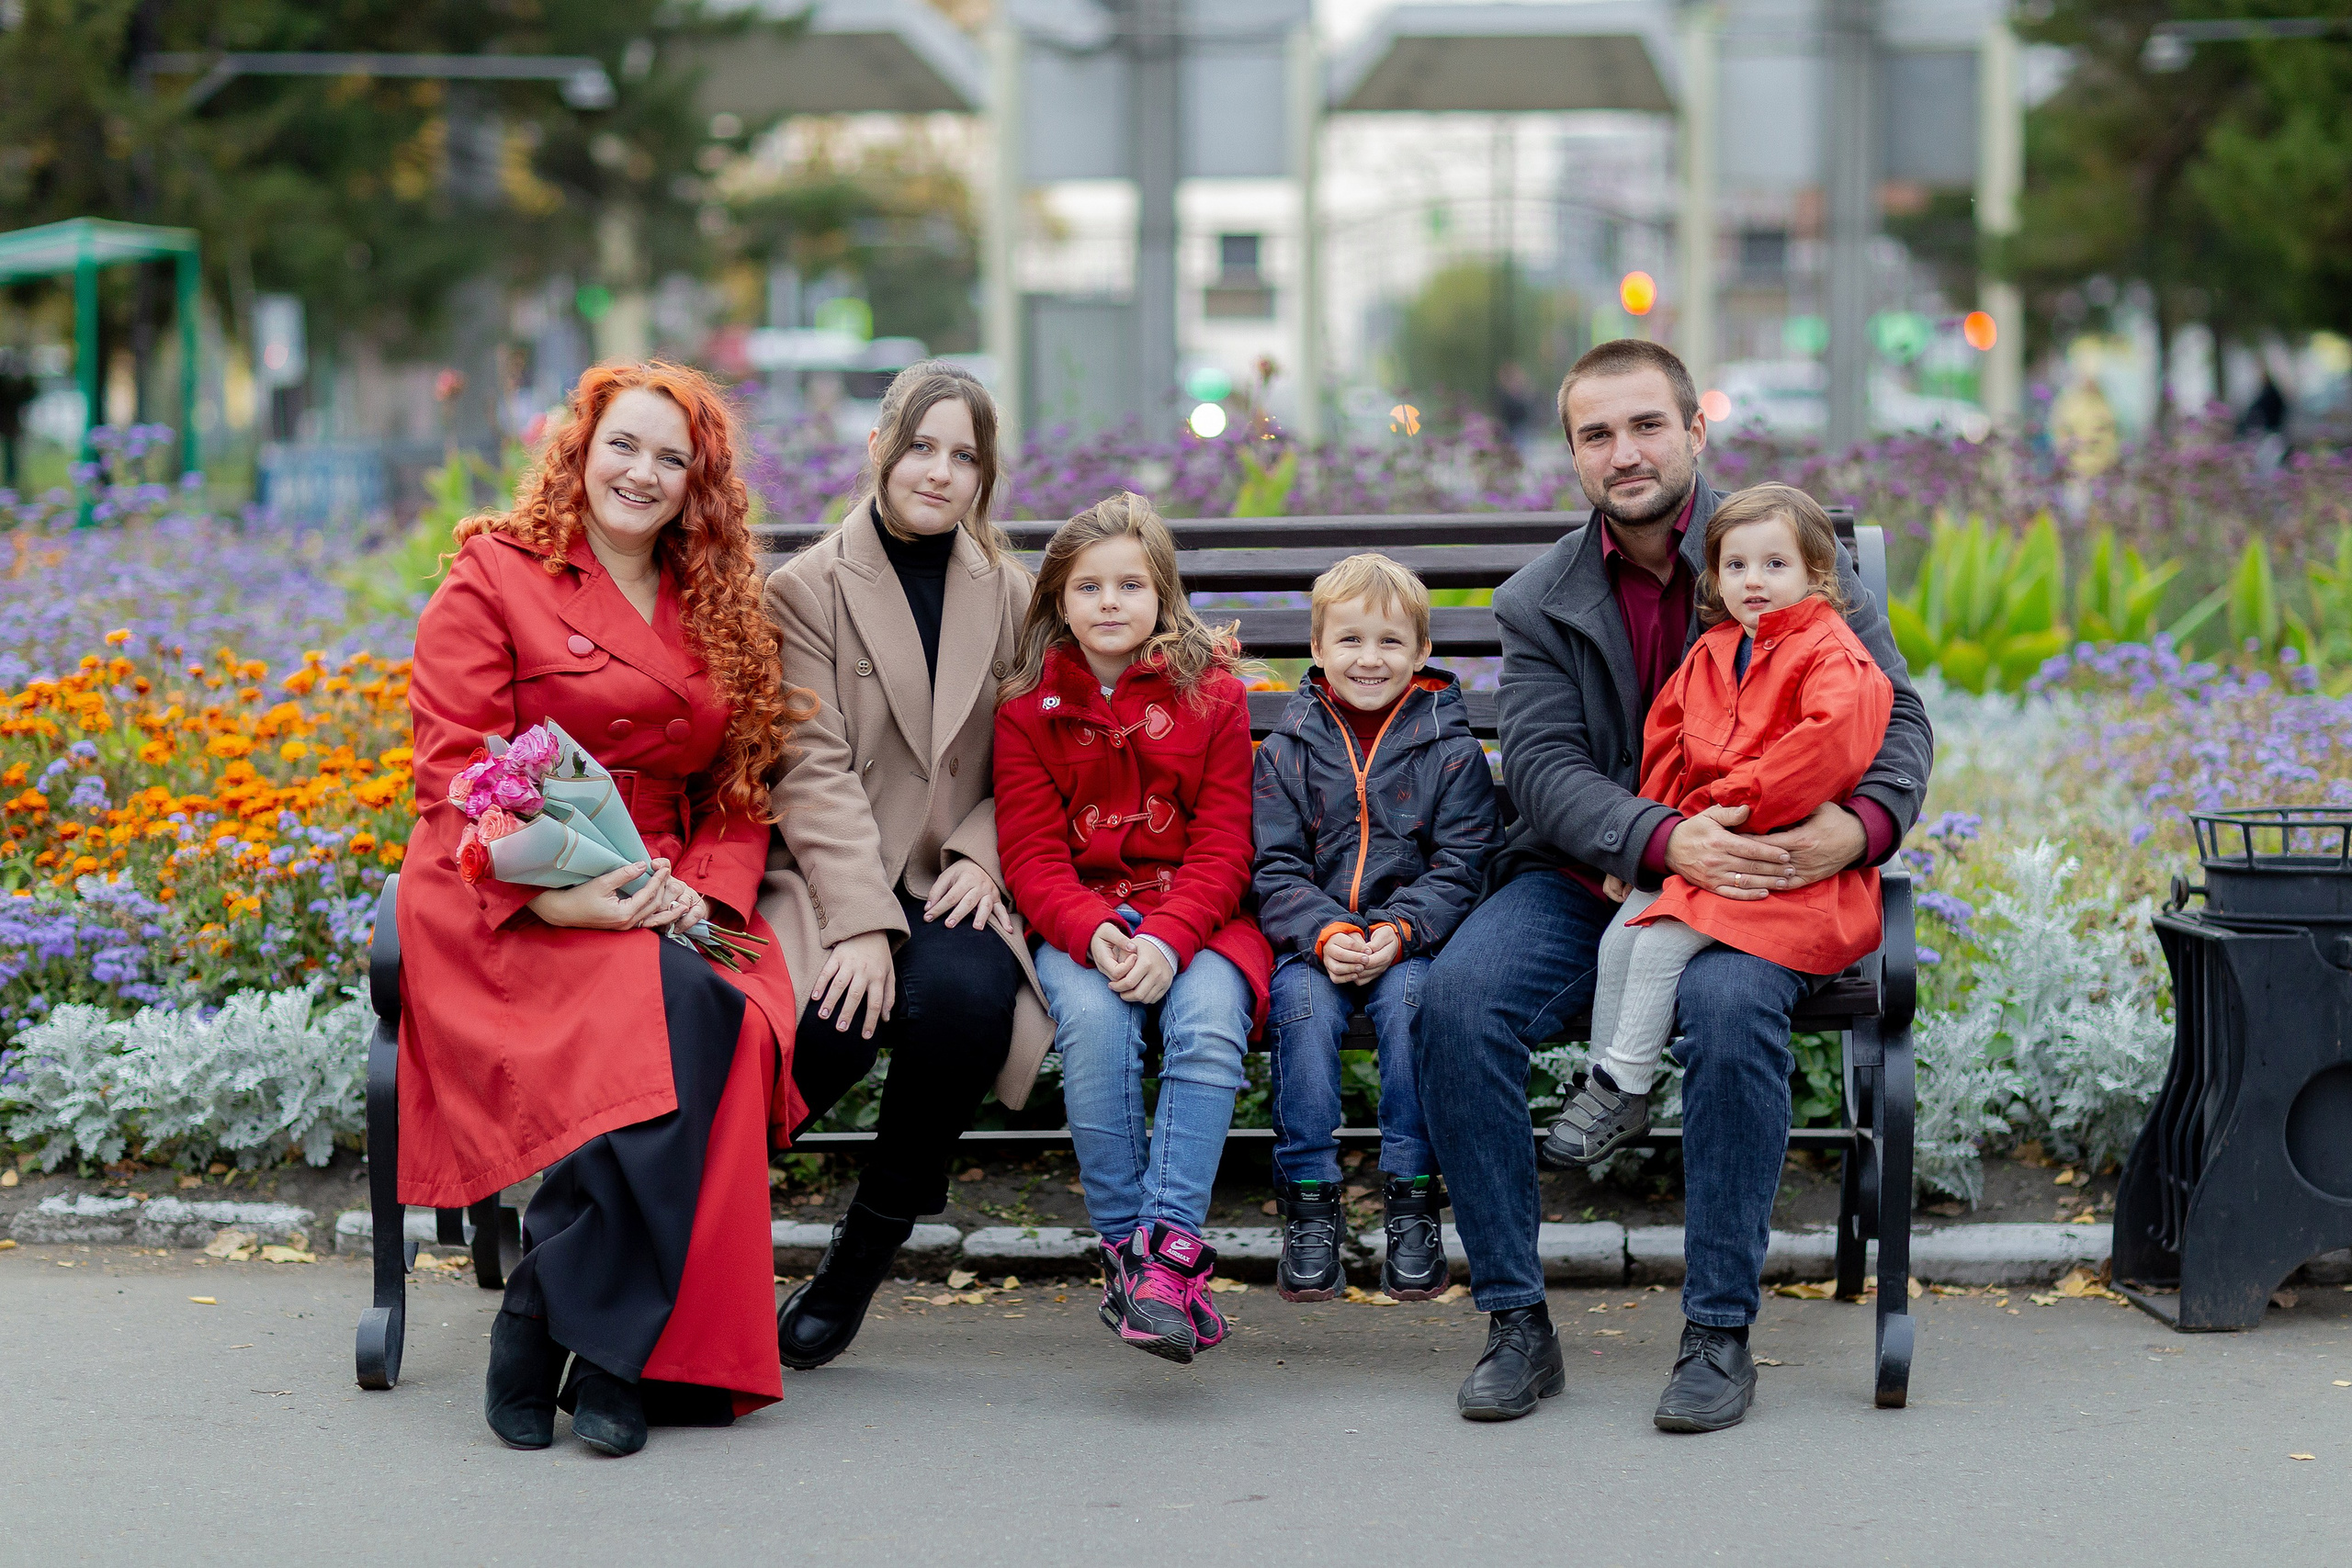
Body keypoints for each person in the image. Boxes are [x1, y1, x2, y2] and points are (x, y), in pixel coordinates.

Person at [1416, 338, 1931, 1430]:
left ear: (1694, 431)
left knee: (1730, 1005)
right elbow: (1546, 771)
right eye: (1595, 434)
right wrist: (1663, 841)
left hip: (1773, 870)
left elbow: (1896, 719)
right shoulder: (1540, 600)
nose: (1625, 451)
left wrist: (1856, 828)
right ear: (1572, 454)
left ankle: (1716, 1334)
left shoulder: (1779, 550)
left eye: (1646, 425)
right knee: (1460, 1004)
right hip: (1594, 876)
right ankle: (1516, 1322)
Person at [401, 361, 808, 1456]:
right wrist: (564, 897)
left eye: (672, 459)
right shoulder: (494, 576)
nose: (643, 472)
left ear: (697, 484)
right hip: (505, 885)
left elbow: (740, 789)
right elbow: (455, 776)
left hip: (666, 878)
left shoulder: (714, 597)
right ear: (578, 450)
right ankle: (618, 1350)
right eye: (624, 445)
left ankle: (556, 1314)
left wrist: (698, 893)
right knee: (683, 1010)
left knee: (715, 997)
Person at [757, 360, 1050, 1372]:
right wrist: (864, 923)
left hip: (952, 872)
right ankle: (672, 1222)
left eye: (962, 455)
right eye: (921, 445)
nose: (938, 471)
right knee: (833, 1018)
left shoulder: (1010, 593)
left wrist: (985, 850)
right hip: (841, 872)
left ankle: (861, 1254)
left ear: (984, 476)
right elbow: (809, 765)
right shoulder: (805, 591)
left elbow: (1040, 750)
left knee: (968, 1000)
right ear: (878, 448)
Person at [991, 493, 1272, 1364]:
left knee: (1209, 1023)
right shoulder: (1026, 711)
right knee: (1096, 1026)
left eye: (1130, 585)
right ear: (1058, 601)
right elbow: (1032, 857)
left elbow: (1226, 848)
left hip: (1201, 920)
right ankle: (1129, 1252)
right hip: (1085, 924)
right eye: (1088, 587)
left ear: (1163, 596)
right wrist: (1091, 932)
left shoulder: (1214, 700)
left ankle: (1169, 1256)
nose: (1110, 602)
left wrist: (1168, 937)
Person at [1543, 484, 1892, 1167]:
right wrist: (1649, 842)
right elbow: (1667, 750)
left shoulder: (1834, 656)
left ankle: (1625, 1080)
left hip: (1784, 868)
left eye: (1774, 565)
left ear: (1816, 574)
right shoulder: (1712, 652)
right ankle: (1604, 1084)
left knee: (1660, 942)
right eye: (1735, 566)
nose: (1752, 581)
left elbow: (1819, 754)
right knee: (1623, 934)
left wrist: (1727, 808)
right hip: (1702, 848)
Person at [1251, 552, 1498, 1302]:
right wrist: (1326, 933)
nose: (1370, 658)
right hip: (1312, 945)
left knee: (1412, 1007)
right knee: (1301, 1010)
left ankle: (1412, 1194)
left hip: (1409, 945)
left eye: (1391, 642)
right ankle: (1309, 1200)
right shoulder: (1289, 747)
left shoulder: (1450, 750)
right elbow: (1273, 867)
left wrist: (1397, 930)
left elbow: (1463, 864)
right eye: (1350, 640)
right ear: (1318, 650)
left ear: (1423, 652)